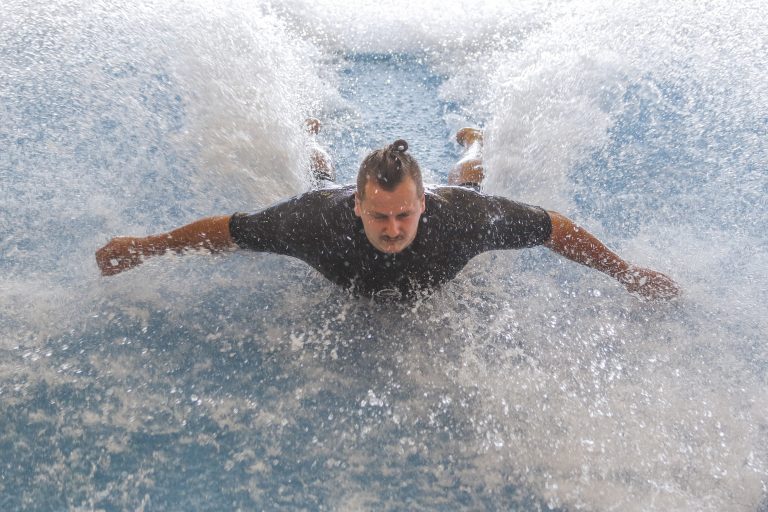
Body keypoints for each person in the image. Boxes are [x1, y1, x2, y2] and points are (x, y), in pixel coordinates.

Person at [96, 128, 680, 301]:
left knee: (469, 180)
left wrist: (626, 274)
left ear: (420, 206)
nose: (394, 228)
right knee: (315, 177)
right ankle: (311, 136)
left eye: (405, 214)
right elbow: (228, 230)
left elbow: (555, 227)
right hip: (325, 197)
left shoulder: (460, 219)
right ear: (360, 208)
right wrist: (147, 246)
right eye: (380, 217)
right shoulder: (312, 222)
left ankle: (473, 140)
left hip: (456, 193)